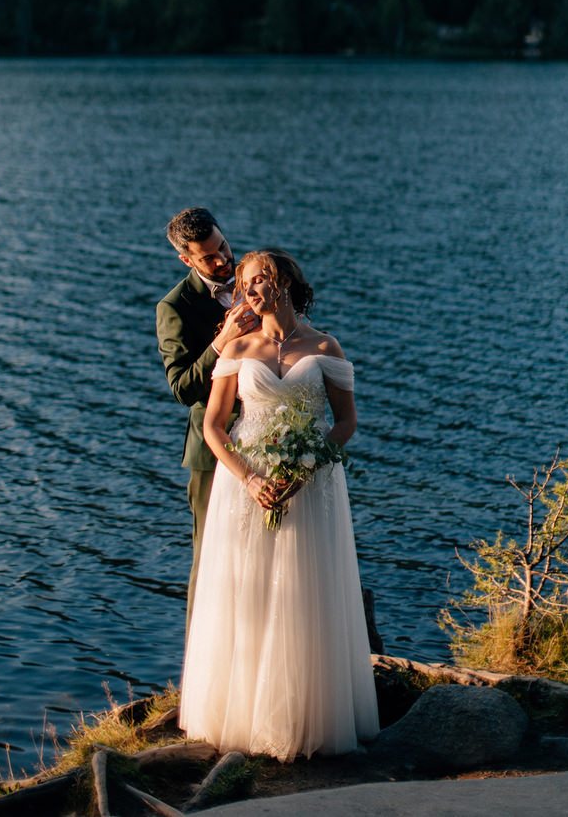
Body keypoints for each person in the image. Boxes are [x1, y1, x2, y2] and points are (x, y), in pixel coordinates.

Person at [179, 249, 379, 761]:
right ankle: (242, 718)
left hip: (312, 484)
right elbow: (213, 427)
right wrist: (248, 480)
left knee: (304, 590)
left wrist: (309, 465)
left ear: (286, 281)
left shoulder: (324, 345)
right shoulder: (238, 345)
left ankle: (305, 716)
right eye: (246, 281)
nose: (252, 287)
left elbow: (345, 422)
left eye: (261, 277)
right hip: (248, 485)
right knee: (247, 590)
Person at [156, 207, 258, 625]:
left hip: (271, 432)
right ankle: (200, 668)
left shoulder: (256, 278)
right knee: (212, 555)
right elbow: (182, 389)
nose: (222, 261)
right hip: (213, 451)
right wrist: (222, 342)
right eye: (209, 257)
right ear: (186, 260)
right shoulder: (174, 307)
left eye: (223, 247)